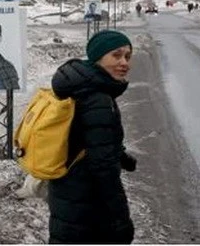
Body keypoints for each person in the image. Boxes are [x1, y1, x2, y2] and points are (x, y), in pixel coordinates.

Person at [47, 30, 136, 244]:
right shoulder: (98, 99)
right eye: (116, 55)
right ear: (97, 57)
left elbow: (87, 136)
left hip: (67, 191)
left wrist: (120, 155)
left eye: (127, 56)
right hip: (89, 204)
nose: (124, 62)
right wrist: (121, 219)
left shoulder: (78, 87)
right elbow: (103, 169)